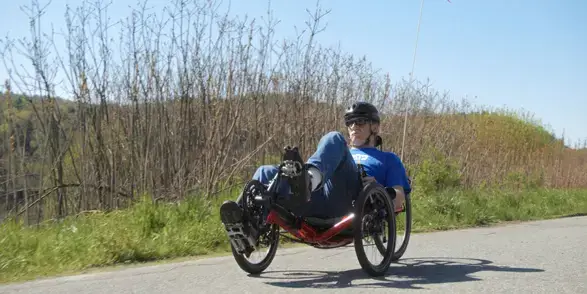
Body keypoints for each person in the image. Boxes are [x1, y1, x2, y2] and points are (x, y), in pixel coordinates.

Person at [219, 101, 411, 228]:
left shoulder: (387, 158)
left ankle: (307, 180)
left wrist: (376, 189)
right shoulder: (340, 151)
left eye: (360, 122)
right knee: (265, 172)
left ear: (375, 127)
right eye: (351, 123)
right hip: (314, 201)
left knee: (334, 138)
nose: (354, 127)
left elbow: (399, 197)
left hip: (349, 202)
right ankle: (241, 222)